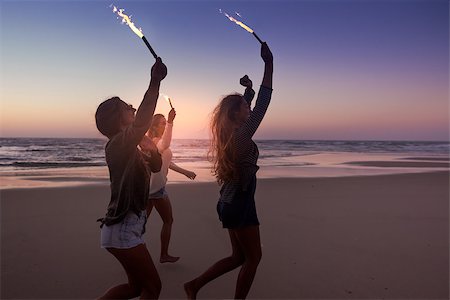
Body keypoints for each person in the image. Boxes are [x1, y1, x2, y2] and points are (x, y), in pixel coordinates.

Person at [184, 42, 273, 299]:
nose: (250, 108)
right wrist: (269, 64)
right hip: (240, 204)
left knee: (238, 257)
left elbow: (246, 107)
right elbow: (264, 104)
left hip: (228, 201)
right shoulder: (241, 137)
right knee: (253, 258)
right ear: (236, 114)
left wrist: (248, 91)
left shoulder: (228, 133)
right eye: (246, 107)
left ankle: (194, 286)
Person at [95, 57, 167, 299]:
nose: (133, 108)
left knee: (136, 287)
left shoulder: (131, 146)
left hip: (128, 227)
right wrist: (155, 81)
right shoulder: (117, 145)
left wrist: (150, 147)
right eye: (128, 108)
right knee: (152, 288)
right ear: (117, 119)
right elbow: (142, 120)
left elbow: (156, 166)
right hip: (123, 227)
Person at [140, 108, 197, 263]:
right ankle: (163, 255)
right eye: (162, 123)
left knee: (141, 224)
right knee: (168, 220)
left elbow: (167, 162)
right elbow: (165, 144)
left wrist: (184, 171)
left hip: (149, 190)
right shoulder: (157, 143)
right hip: (157, 190)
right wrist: (171, 122)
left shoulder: (151, 142)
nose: (165, 126)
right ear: (154, 126)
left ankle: (135, 250)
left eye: (166, 123)